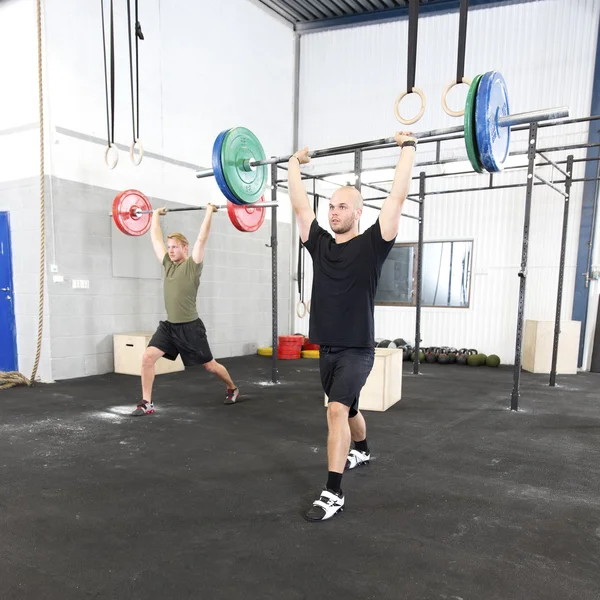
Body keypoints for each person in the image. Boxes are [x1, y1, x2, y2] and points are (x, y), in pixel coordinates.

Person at [288, 132, 417, 521]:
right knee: (350, 410)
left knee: (335, 410)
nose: (333, 212)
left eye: (342, 207)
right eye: (330, 206)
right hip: (326, 348)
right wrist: (294, 165)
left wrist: (407, 150)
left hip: (358, 350)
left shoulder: (374, 244)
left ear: (358, 212)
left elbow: (396, 198)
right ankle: (361, 449)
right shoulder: (321, 245)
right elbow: (298, 207)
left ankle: (333, 492)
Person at [131, 204, 240, 416]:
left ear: (185, 248)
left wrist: (209, 212)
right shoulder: (168, 265)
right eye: (169, 247)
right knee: (147, 357)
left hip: (191, 328)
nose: (170, 250)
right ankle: (147, 402)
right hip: (170, 327)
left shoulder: (192, 265)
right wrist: (154, 216)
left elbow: (201, 239)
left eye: (174, 247)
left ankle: (232, 388)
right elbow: (155, 240)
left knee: (210, 366)